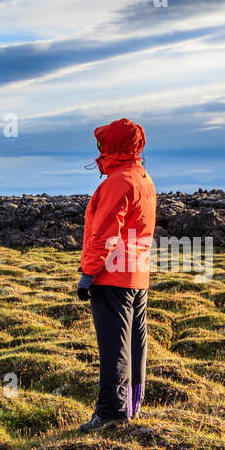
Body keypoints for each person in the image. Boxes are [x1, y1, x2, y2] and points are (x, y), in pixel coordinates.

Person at [76, 118, 157, 432]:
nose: (98, 149)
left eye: (101, 144)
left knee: (113, 345)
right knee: (135, 342)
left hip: (112, 275)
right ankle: (132, 405)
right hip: (137, 275)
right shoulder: (142, 178)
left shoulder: (118, 182)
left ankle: (111, 412)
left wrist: (89, 272)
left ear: (111, 146)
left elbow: (105, 232)